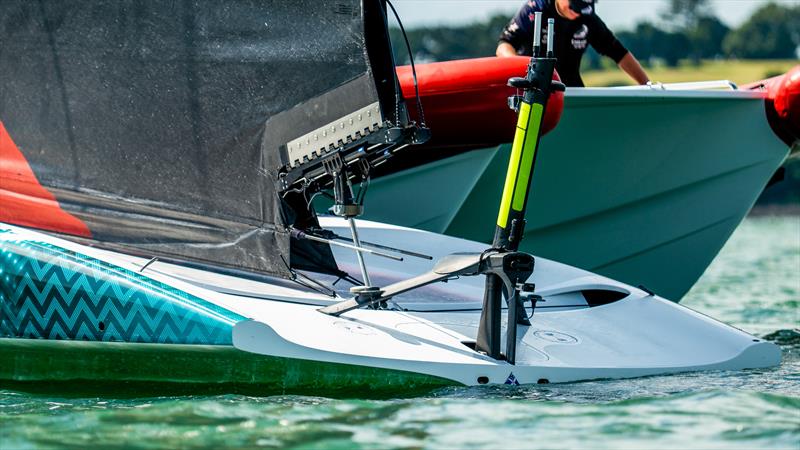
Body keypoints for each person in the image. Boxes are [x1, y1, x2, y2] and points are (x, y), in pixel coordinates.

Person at [496, 0, 650, 87]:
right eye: (575, 5)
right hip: (532, 89)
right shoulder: (535, 9)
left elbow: (618, 53)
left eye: (584, 6)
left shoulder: (588, 17)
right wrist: (522, 71)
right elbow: (504, 45)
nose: (578, 12)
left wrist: (648, 85)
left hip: (570, 88)